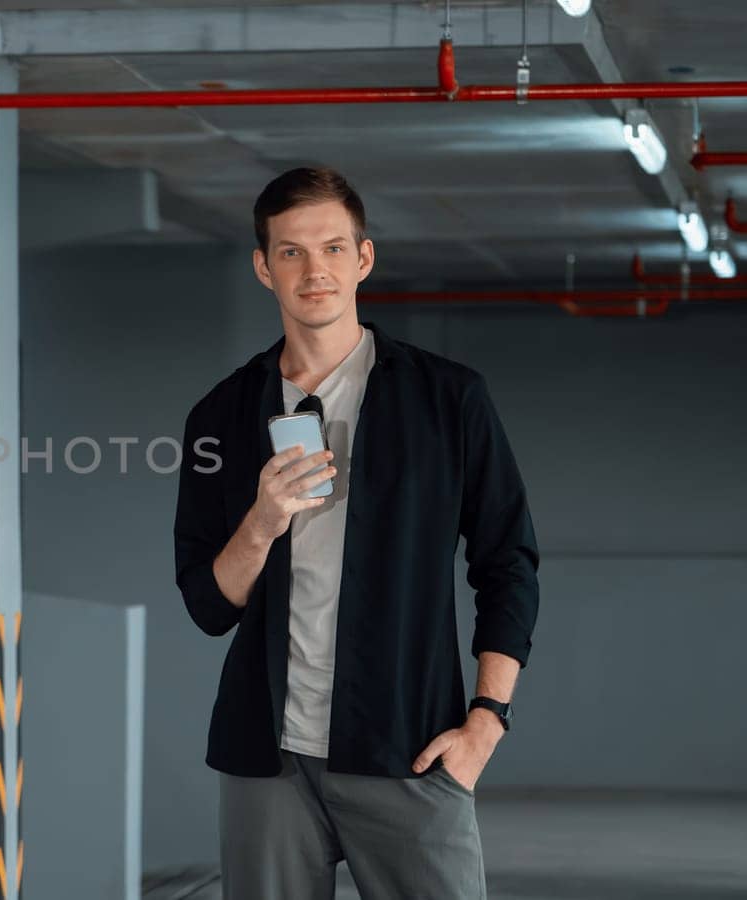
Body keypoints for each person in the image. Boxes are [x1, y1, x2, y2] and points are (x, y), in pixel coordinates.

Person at [171, 166, 540, 899]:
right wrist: (262, 521)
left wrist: (487, 720)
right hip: (266, 759)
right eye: (292, 252)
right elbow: (210, 606)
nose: (316, 271)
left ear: (363, 259)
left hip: (408, 744)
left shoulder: (447, 396)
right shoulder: (220, 416)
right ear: (263, 267)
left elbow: (508, 562)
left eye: (334, 248)